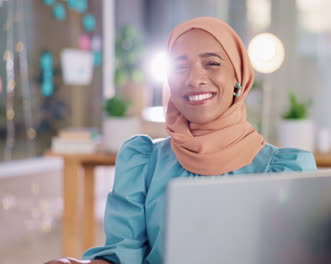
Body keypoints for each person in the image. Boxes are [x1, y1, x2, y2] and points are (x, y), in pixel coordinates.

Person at [45, 16, 316, 264]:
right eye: (179, 66)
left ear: (239, 78)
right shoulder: (142, 163)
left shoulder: (285, 171)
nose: (194, 78)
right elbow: (122, 256)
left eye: (212, 63)